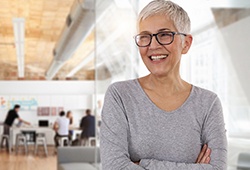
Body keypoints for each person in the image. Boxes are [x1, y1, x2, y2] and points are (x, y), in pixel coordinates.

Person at [100, 0, 227, 169]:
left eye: (164, 35)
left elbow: (218, 168)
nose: (153, 46)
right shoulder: (120, 96)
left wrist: (144, 164)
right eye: (145, 36)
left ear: (186, 43)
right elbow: (114, 166)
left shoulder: (208, 103)